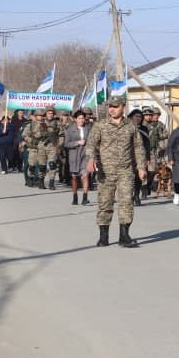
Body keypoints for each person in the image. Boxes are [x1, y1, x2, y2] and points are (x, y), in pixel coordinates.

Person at [86, 95, 146, 247]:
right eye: (109, 106)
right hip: (106, 172)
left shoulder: (131, 126)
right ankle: (103, 236)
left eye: (115, 106)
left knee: (126, 202)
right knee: (105, 203)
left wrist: (141, 167)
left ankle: (124, 236)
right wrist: (91, 159)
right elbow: (91, 144)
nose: (111, 109)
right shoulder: (100, 125)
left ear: (123, 107)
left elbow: (138, 147)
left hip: (125, 171)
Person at [64, 110, 92, 206]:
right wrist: (77, 143)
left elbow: (92, 141)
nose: (81, 120)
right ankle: (75, 196)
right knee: (74, 177)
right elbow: (66, 144)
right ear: (75, 119)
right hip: (74, 155)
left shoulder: (88, 129)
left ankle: (85, 197)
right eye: (79, 118)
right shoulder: (69, 129)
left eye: (83, 118)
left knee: (85, 175)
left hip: (85, 155)